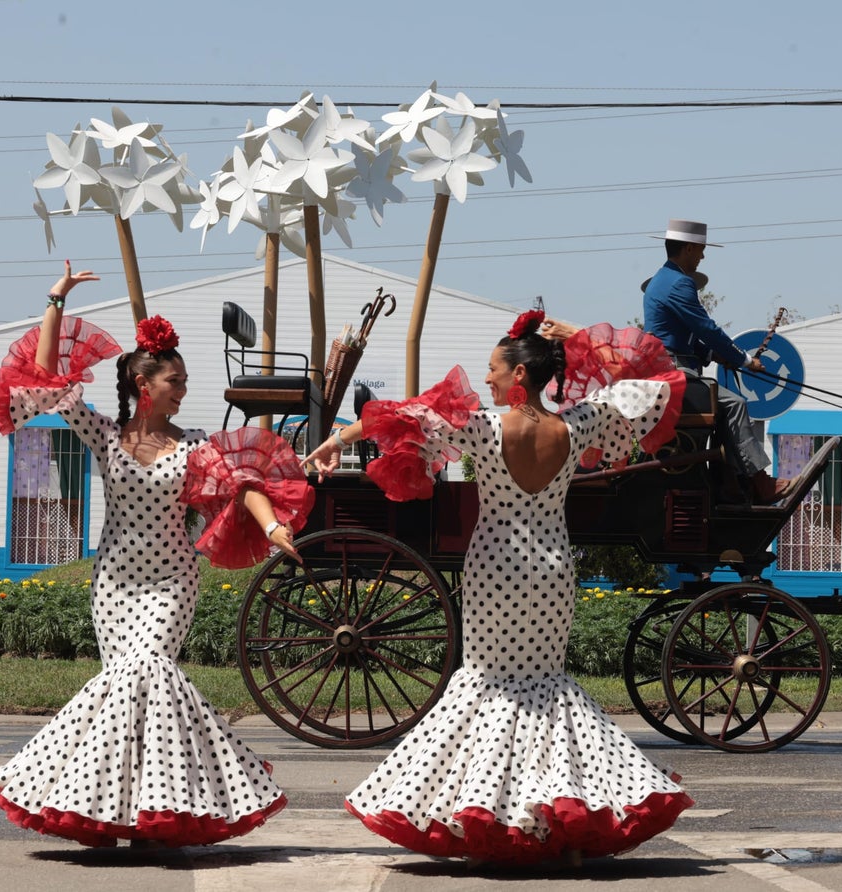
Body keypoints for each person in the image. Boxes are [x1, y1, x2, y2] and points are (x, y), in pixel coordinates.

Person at [305, 310, 694, 867]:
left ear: (517, 377)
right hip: (553, 569)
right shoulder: (576, 424)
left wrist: (334, 440)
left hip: (496, 567)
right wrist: (578, 340)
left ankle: (488, 809)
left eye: (492, 370)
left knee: (488, 684)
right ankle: (557, 809)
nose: (485, 379)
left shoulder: (484, 427)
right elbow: (652, 384)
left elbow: (405, 414)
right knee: (545, 684)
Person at [0, 261, 313, 848]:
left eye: (184, 382)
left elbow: (246, 485)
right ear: (144, 387)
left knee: (149, 673)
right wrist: (55, 301)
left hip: (170, 584)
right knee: (124, 692)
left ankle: (160, 811)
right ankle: (116, 813)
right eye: (174, 382)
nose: (183, 391)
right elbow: (45, 379)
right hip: (114, 586)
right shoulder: (102, 433)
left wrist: (275, 528)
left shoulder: (196, 447)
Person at [641, 219, 796, 504]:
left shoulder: (661, 281)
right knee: (734, 404)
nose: (703, 256)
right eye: (700, 249)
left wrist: (715, 356)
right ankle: (760, 482)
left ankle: (730, 483)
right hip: (675, 373)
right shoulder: (679, 284)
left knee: (725, 404)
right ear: (688, 248)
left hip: (673, 368)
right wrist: (745, 361)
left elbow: (683, 337)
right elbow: (706, 329)